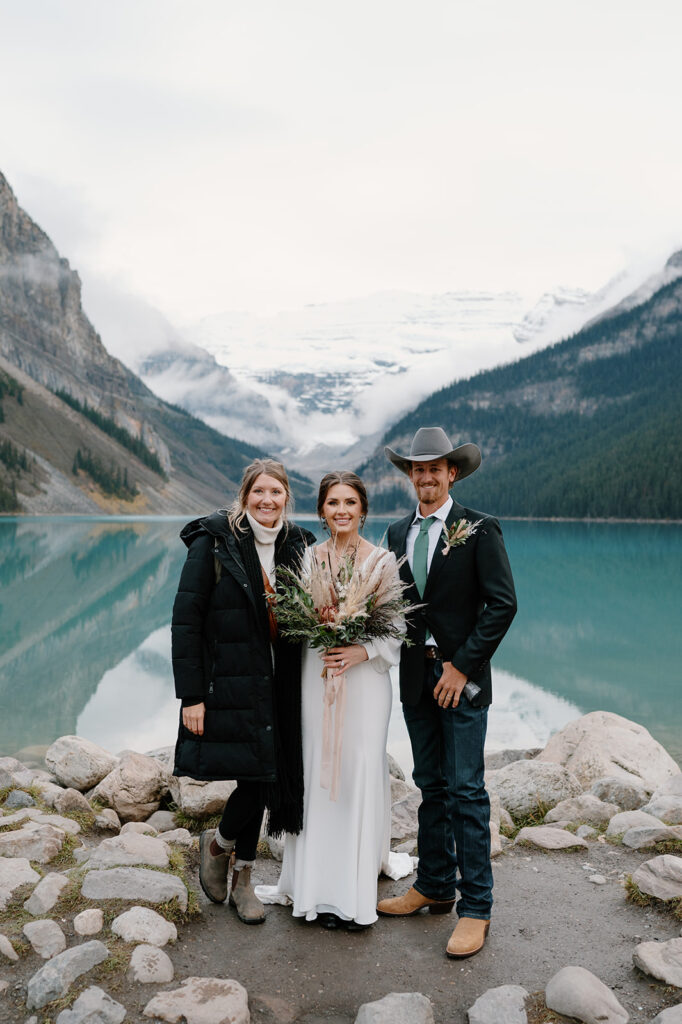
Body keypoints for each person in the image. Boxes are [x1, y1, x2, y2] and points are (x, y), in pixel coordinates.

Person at [377, 427, 517, 959]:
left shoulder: (480, 529)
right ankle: (434, 884)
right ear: (410, 475)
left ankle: (475, 908)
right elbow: (395, 607)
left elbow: (502, 605)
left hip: (462, 679)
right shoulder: (396, 533)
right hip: (415, 679)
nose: (427, 476)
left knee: (465, 791)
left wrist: (460, 666)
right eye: (418, 468)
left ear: (451, 473)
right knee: (429, 784)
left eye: (436, 468)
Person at [260, 471, 413, 930]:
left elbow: (398, 630)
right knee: (317, 770)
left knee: (358, 770)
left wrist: (361, 649)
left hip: (365, 683)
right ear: (322, 511)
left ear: (362, 509)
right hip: (317, 674)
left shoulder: (383, 562)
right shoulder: (308, 559)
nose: (341, 510)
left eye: (350, 502)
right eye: (332, 503)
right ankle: (315, 888)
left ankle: (351, 893)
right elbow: (297, 619)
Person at [171, 458, 315, 924]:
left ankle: (226, 856)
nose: (267, 500)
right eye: (259, 492)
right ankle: (234, 868)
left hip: (283, 684)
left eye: (277, 493)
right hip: (231, 684)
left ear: (287, 498)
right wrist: (191, 695)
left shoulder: (299, 544)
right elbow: (186, 622)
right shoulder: (213, 543)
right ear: (244, 495)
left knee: (264, 775)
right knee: (257, 777)